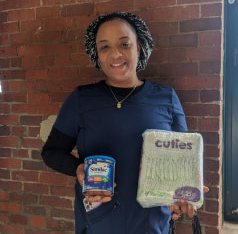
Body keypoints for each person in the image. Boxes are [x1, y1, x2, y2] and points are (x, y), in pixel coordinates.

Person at [41, 12, 206, 234]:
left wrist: (181, 196)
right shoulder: (82, 99)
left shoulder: (166, 98)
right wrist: (78, 169)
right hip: (99, 222)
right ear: (97, 54)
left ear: (138, 47)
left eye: (124, 44)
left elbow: (181, 163)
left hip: (152, 223)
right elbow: (51, 152)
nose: (115, 54)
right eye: (105, 47)